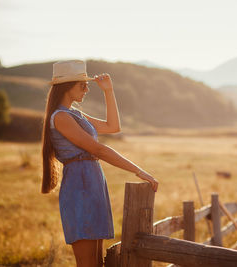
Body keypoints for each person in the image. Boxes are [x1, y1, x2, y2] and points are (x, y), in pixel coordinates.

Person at [40, 59, 159, 267]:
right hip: (79, 187)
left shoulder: (75, 114)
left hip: (94, 183)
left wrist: (108, 91)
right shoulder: (61, 117)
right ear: (67, 87)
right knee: (87, 263)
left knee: (97, 261)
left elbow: (113, 127)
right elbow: (98, 149)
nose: (87, 89)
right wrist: (139, 171)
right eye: (82, 85)